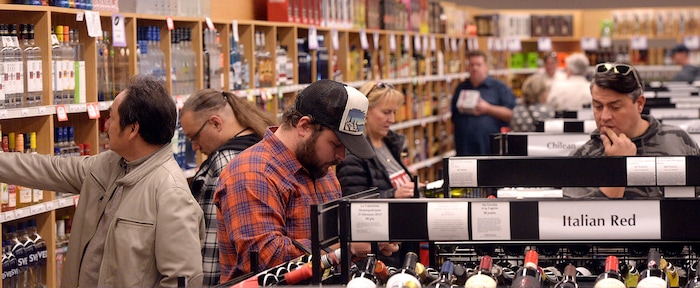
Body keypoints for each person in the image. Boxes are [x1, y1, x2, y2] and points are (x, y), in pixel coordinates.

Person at [0, 76, 206, 287]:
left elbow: (183, 279)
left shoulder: (170, 192)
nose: (106, 124)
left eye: (112, 118)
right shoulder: (109, 165)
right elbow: (50, 169)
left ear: (133, 130)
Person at [215, 79, 384, 281]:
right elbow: (267, 262)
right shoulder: (251, 173)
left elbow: (334, 236)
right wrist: (348, 247)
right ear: (304, 126)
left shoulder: (323, 170)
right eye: (336, 144)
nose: (342, 156)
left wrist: (369, 235)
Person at [180, 89, 277, 287]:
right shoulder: (265, 146)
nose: (195, 147)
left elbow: (211, 250)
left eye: (194, 137)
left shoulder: (223, 165)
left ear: (215, 123)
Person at [564, 63, 700, 199]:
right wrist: (618, 167)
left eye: (615, 107)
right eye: (598, 106)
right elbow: (583, 218)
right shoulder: (582, 158)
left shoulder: (678, 140)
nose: (604, 117)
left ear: (639, 104)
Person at [335, 81, 417, 267]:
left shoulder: (390, 144)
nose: (392, 119)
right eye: (386, 112)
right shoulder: (353, 154)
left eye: (394, 112)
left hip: (399, 250)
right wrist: (394, 195)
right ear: (365, 112)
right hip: (379, 259)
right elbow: (353, 204)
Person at [451, 50, 517, 155]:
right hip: (464, 148)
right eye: (472, 65)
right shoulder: (461, 88)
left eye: (478, 64)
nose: (475, 68)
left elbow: (511, 114)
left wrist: (488, 109)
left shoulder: (499, 88)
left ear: (486, 66)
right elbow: (454, 115)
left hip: (488, 149)